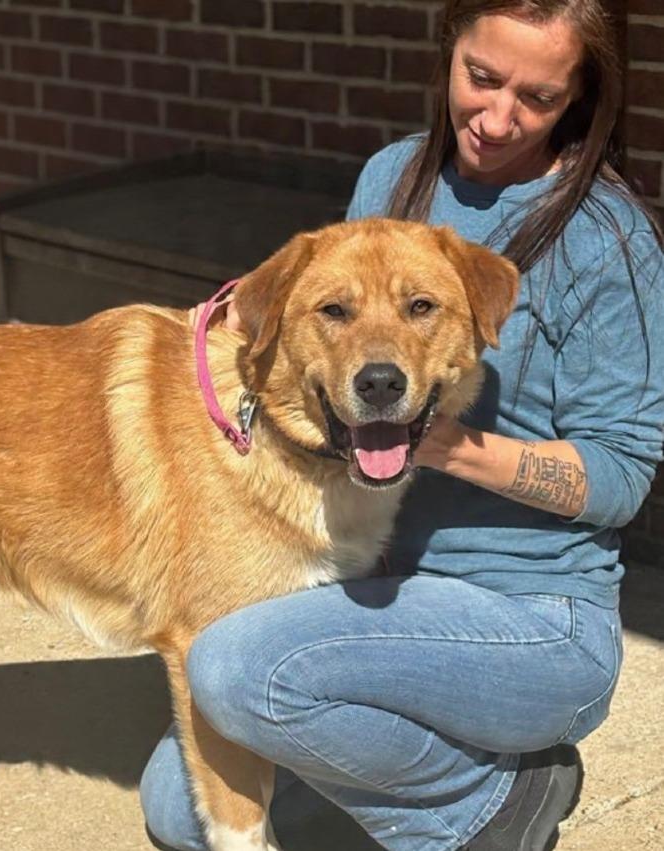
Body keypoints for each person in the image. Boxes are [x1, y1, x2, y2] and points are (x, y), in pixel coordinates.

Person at [140, 0, 664, 848]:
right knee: (181, 809)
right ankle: (452, 766)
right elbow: (337, 335)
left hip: (531, 618)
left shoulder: (607, 241)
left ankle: (489, 805)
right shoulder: (392, 175)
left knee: (233, 668)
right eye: (481, 78)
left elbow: (619, 477)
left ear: (580, 100)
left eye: (536, 98)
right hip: (374, 586)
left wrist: (446, 444)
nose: (496, 118)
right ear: (447, 55)